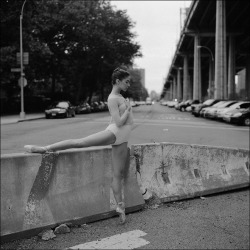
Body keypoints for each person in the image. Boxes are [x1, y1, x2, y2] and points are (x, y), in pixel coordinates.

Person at [24, 67, 133, 224]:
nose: (128, 85)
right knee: (80, 142)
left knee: (118, 174)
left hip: (122, 138)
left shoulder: (121, 97)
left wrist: (125, 111)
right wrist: (128, 111)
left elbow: (114, 120)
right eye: (126, 81)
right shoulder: (112, 98)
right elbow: (118, 122)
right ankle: (44, 148)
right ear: (117, 81)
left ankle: (120, 209)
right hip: (115, 134)